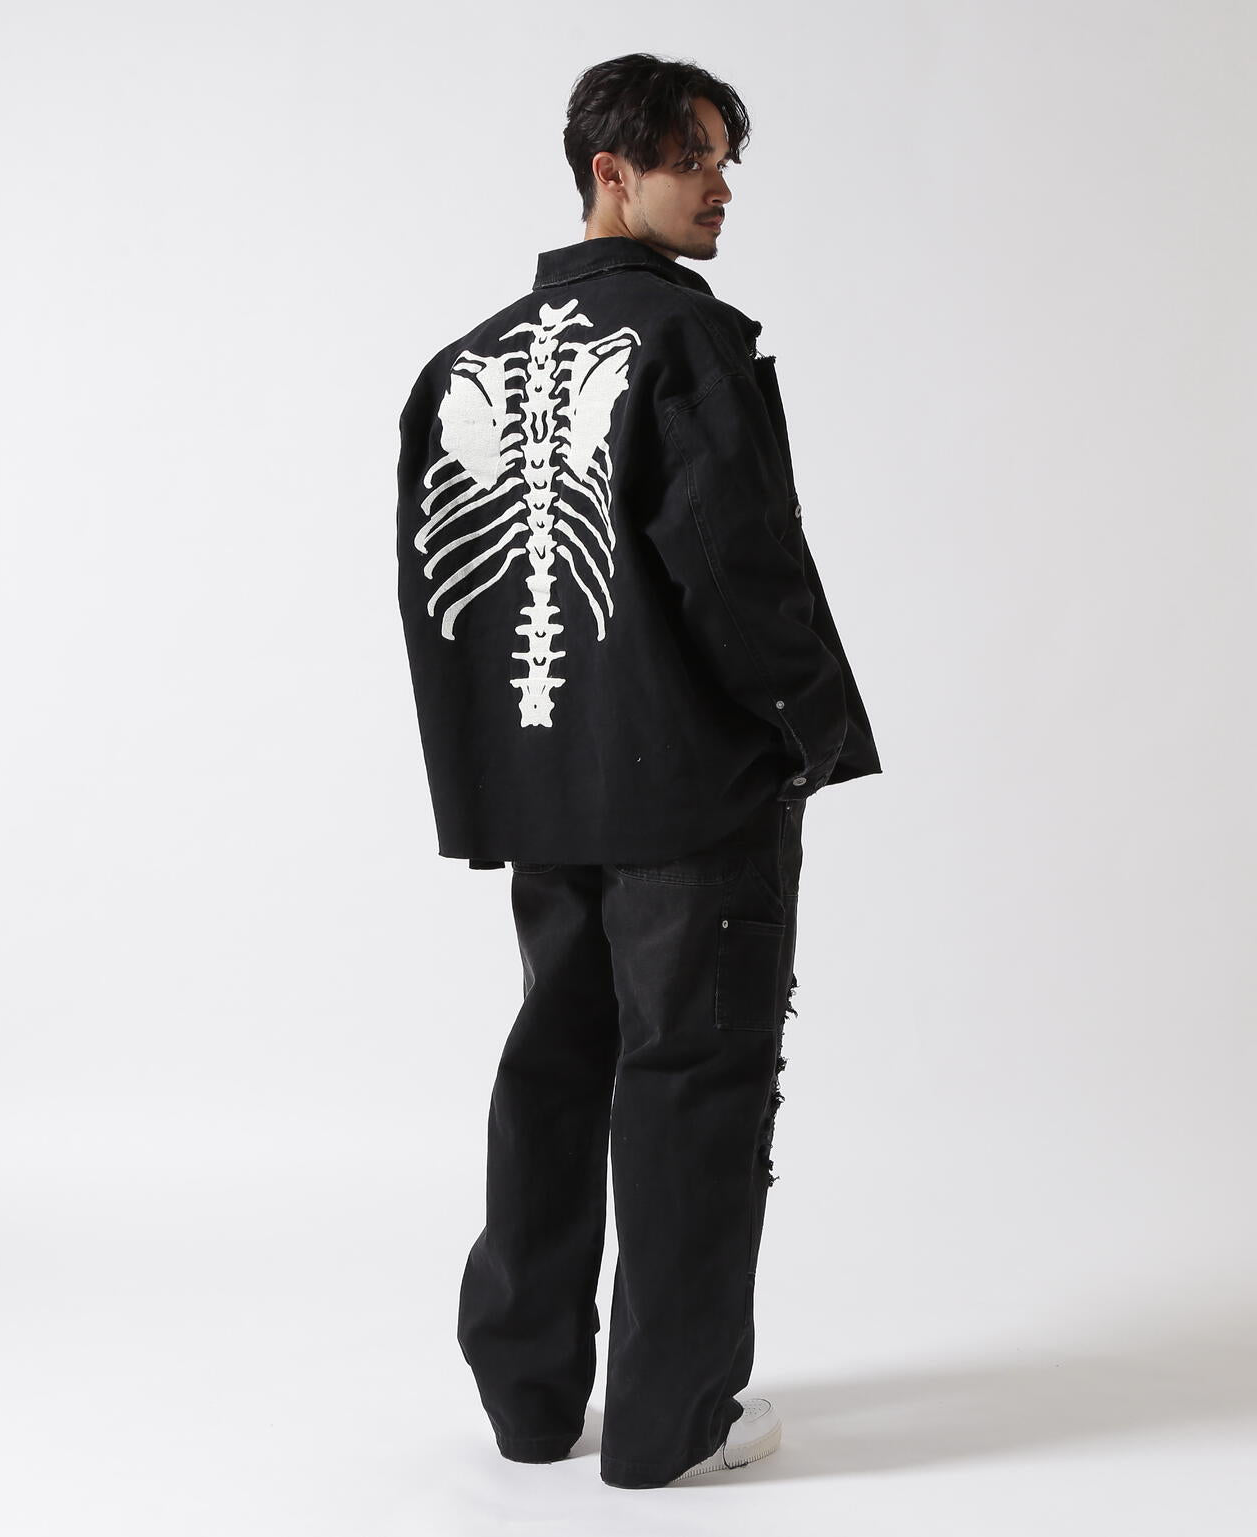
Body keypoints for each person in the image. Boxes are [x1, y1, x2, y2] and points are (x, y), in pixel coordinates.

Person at [394, 52, 882, 1490]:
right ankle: (676, 1418)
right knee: (694, 1079)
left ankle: (530, 1398)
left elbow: (441, 606)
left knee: (557, 1061)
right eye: (693, 158)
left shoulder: (458, 363)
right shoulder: (689, 341)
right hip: (690, 794)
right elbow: (741, 567)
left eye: (727, 158)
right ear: (612, 171)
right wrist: (810, 735)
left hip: (543, 787)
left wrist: (492, 772)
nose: (721, 185)